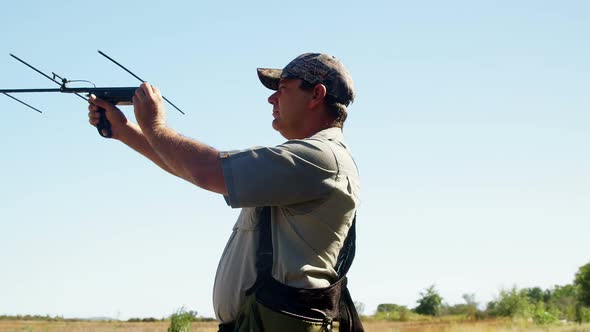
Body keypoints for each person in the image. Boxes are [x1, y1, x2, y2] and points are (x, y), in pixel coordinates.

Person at [88, 53, 360, 331]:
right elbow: (190, 168)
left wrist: (154, 126)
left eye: (282, 89)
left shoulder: (319, 157)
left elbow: (204, 169)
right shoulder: (309, 160)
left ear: (316, 94)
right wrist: (124, 131)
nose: (271, 99)